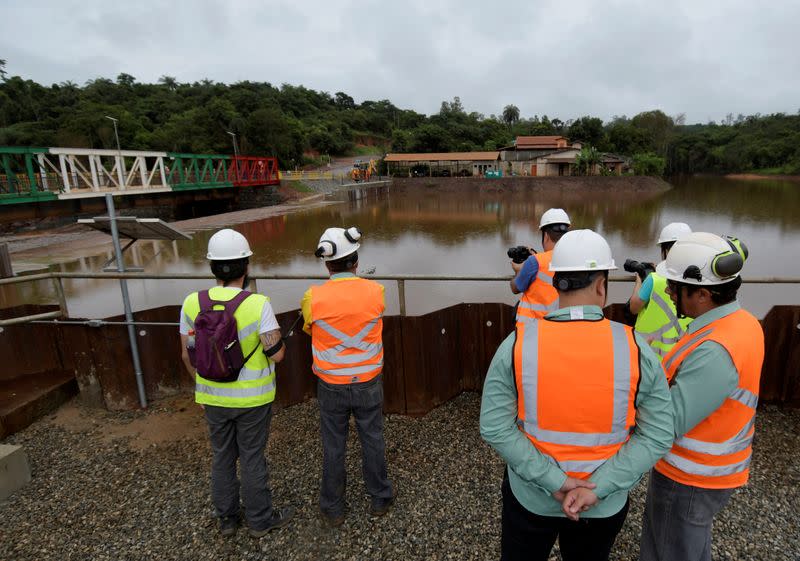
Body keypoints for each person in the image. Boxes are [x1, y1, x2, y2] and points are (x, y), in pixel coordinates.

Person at [481, 229, 674, 561]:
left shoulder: (516, 344)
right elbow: (657, 433)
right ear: (602, 285)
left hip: (532, 497)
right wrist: (597, 487)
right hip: (601, 504)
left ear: (556, 283)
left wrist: (555, 481)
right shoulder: (636, 350)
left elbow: (495, 427)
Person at [640, 232, 762, 561]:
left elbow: (667, 422)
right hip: (709, 472)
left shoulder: (715, 350)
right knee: (690, 546)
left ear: (703, 294)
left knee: (669, 550)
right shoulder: (743, 323)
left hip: (689, 477)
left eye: (675, 287)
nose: (667, 290)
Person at [179, 229, 294, 538]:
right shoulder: (258, 305)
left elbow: (187, 354)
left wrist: (204, 388)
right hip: (253, 401)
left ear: (213, 267)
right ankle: (259, 520)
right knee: (253, 458)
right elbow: (278, 355)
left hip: (213, 399)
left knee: (222, 456)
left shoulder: (192, 303)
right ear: (246, 266)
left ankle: (227, 519)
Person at [301, 226, 394, 527]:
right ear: (355, 260)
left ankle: (333, 506)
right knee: (373, 438)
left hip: (331, 385)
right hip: (368, 380)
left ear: (327, 264)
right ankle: (380, 497)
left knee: (333, 444)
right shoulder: (376, 291)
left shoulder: (312, 297)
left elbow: (309, 329)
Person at [627, 222, 693, 358]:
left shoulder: (654, 279)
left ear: (667, 251)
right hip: (683, 355)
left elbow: (634, 307)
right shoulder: (699, 282)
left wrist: (639, 281)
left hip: (651, 355)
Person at [510, 208, 571, 320]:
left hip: (533, 330)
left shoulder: (535, 262)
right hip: (563, 326)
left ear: (546, 236)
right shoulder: (576, 258)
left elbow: (515, 288)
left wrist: (518, 271)